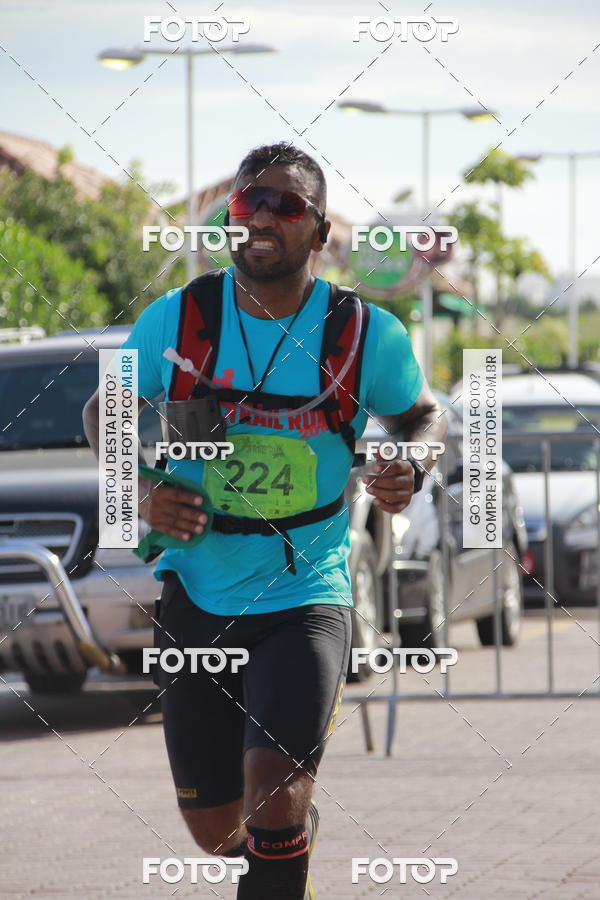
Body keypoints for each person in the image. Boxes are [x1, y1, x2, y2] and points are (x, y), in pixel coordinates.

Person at [83, 141, 447, 899]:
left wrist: (411, 464)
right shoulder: (180, 319)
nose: (262, 217)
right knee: (219, 830)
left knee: (273, 803)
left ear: (321, 232)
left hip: (305, 593)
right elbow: (101, 411)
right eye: (249, 202)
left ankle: (286, 830)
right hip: (199, 589)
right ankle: (288, 841)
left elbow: (422, 416)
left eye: (286, 205)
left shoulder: (362, 333)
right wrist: (139, 492)